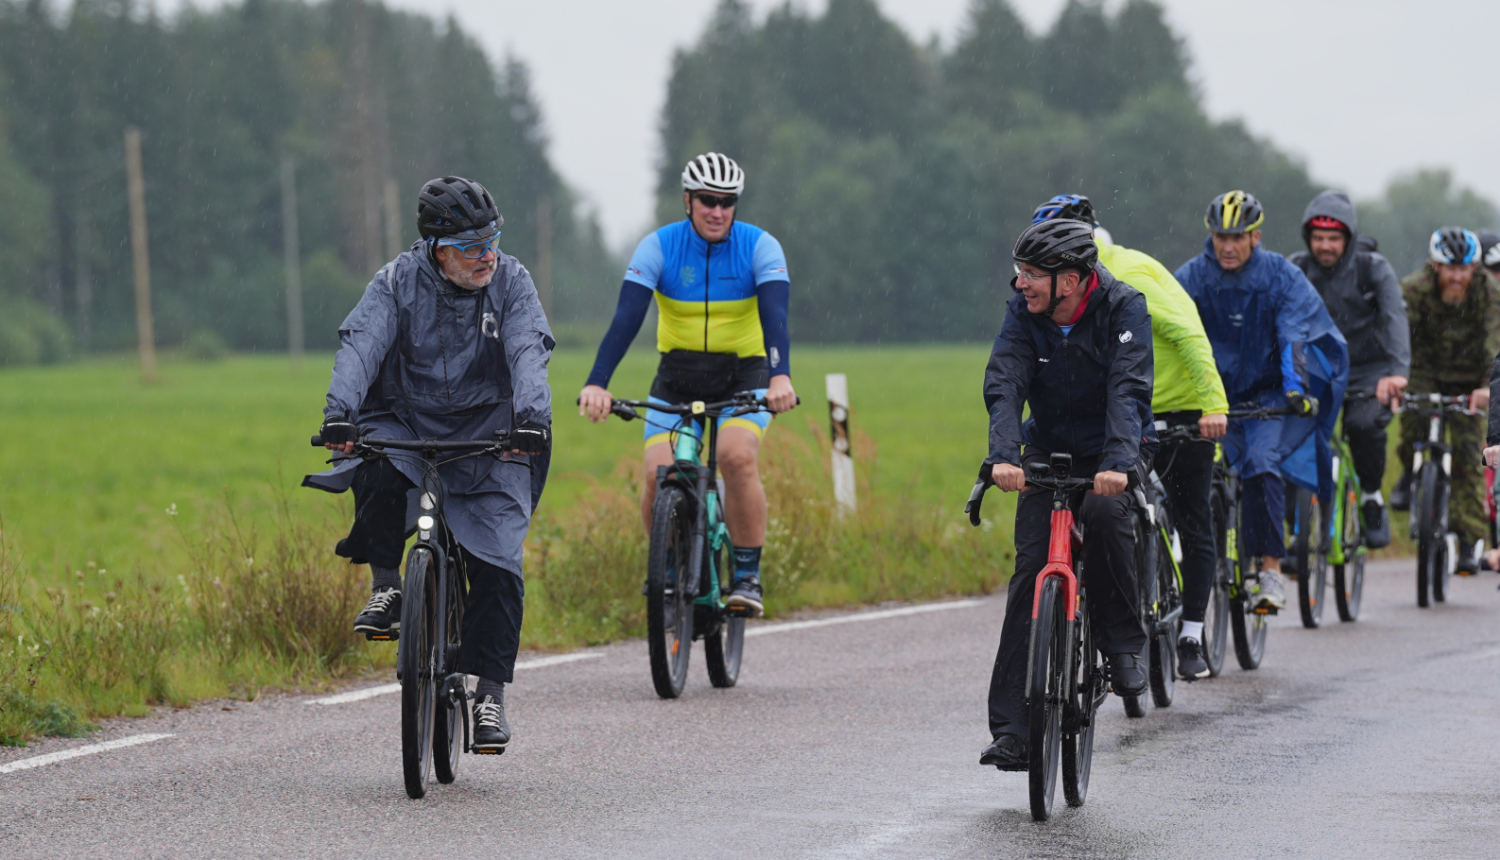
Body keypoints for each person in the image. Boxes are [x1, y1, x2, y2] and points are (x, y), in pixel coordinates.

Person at [304, 176, 554, 753]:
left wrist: (532, 420)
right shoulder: (395, 283)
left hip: (495, 432)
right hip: (408, 419)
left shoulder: (512, 282)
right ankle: (389, 585)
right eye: (471, 246)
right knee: (374, 461)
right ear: (438, 249)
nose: (486, 254)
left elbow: (526, 349)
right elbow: (361, 345)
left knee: (496, 558)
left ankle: (490, 694)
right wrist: (339, 414)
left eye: (491, 239)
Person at [577, 153, 796, 616]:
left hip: (746, 376)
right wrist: (597, 382)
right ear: (687, 200)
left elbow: (775, 318)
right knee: (659, 476)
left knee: (735, 457)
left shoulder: (760, 247)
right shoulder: (659, 247)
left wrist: (780, 377)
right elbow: (626, 319)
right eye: (707, 201)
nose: (717, 211)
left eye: (727, 202)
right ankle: (669, 565)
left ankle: (746, 573)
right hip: (677, 379)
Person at [979, 218, 1154, 771]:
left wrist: (1120, 465)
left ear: (1073, 280)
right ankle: (1013, 732)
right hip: (1047, 451)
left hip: (1112, 455)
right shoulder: (1023, 312)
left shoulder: (1125, 307)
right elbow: (1005, 381)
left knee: (1104, 516)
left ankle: (1123, 645)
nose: (1021, 283)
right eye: (1020, 271)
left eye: (1033, 274)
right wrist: (1005, 456)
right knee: (1031, 573)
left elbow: (1128, 391)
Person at [1030, 194, 1227, 680]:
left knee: (1191, 515)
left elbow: (1186, 334)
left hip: (1178, 406)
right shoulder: (1064, 293)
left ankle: (1192, 633)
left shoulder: (1130, 277)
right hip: (1123, 410)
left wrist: (1213, 405)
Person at [1174, 190, 1347, 613]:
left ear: (1256, 236)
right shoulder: (1193, 276)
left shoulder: (1280, 275)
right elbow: (1171, 328)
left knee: (1263, 461)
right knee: (1183, 467)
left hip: (1269, 395)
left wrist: (1295, 388)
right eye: (1220, 237)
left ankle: (1270, 569)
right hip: (1212, 395)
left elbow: (1295, 332)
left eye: (1238, 237)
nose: (1228, 246)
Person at [1288, 191, 1410, 548]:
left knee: (1362, 425)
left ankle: (1371, 496)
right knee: (1293, 436)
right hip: (1317, 371)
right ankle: (1300, 525)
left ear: (1348, 238)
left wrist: (1398, 372)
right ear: (1308, 238)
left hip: (1370, 370)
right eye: (1318, 238)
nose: (1325, 246)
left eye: (1334, 238)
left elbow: (1394, 318)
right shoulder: (1296, 268)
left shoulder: (1372, 268)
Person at [1394, 228, 1499, 573]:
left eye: (1464, 269)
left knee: (1471, 453)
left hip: (1472, 377)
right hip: (1425, 370)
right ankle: (1411, 475)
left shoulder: (1489, 292)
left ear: (1474, 268)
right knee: (1412, 422)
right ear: (1435, 266)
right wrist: (1397, 377)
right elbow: (1398, 336)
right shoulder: (1413, 289)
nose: (1457, 277)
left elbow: (1494, 340)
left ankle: (1468, 539)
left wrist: (1486, 385)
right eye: (1449, 268)